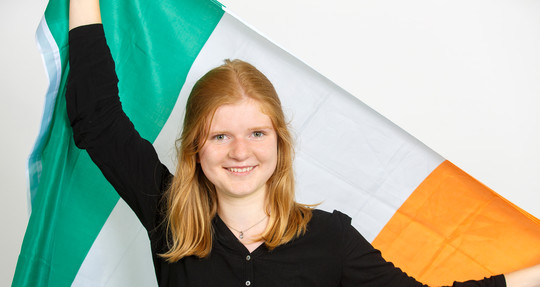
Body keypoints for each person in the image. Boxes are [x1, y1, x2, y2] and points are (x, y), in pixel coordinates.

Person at [67, 0, 540, 286]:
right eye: (219, 135)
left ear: (279, 144)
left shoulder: (329, 239)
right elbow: (96, 116)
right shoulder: (169, 214)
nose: (239, 151)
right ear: (194, 146)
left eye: (257, 133)